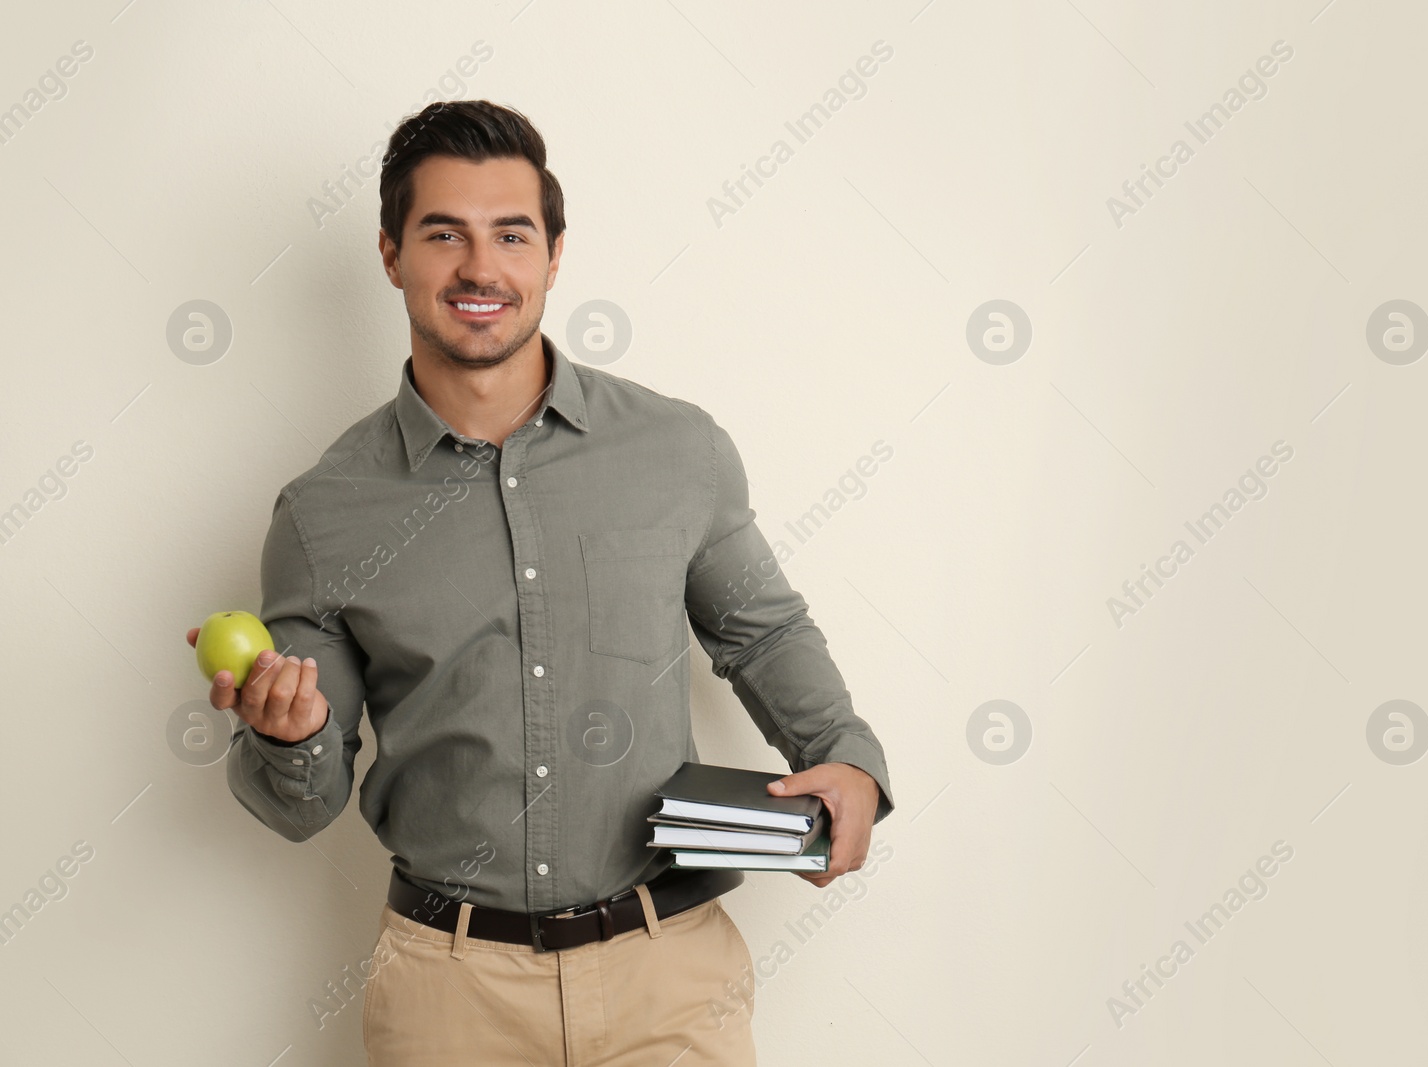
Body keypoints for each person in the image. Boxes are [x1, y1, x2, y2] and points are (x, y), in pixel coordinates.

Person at [182, 99, 894, 1065]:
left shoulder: (675, 448)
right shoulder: (323, 512)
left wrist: (844, 752)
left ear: (554, 255)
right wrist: (287, 733)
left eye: (511, 235)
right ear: (391, 253)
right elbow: (300, 804)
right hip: (449, 997)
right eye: (445, 234)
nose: (481, 268)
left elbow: (761, 633)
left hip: (671, 981)